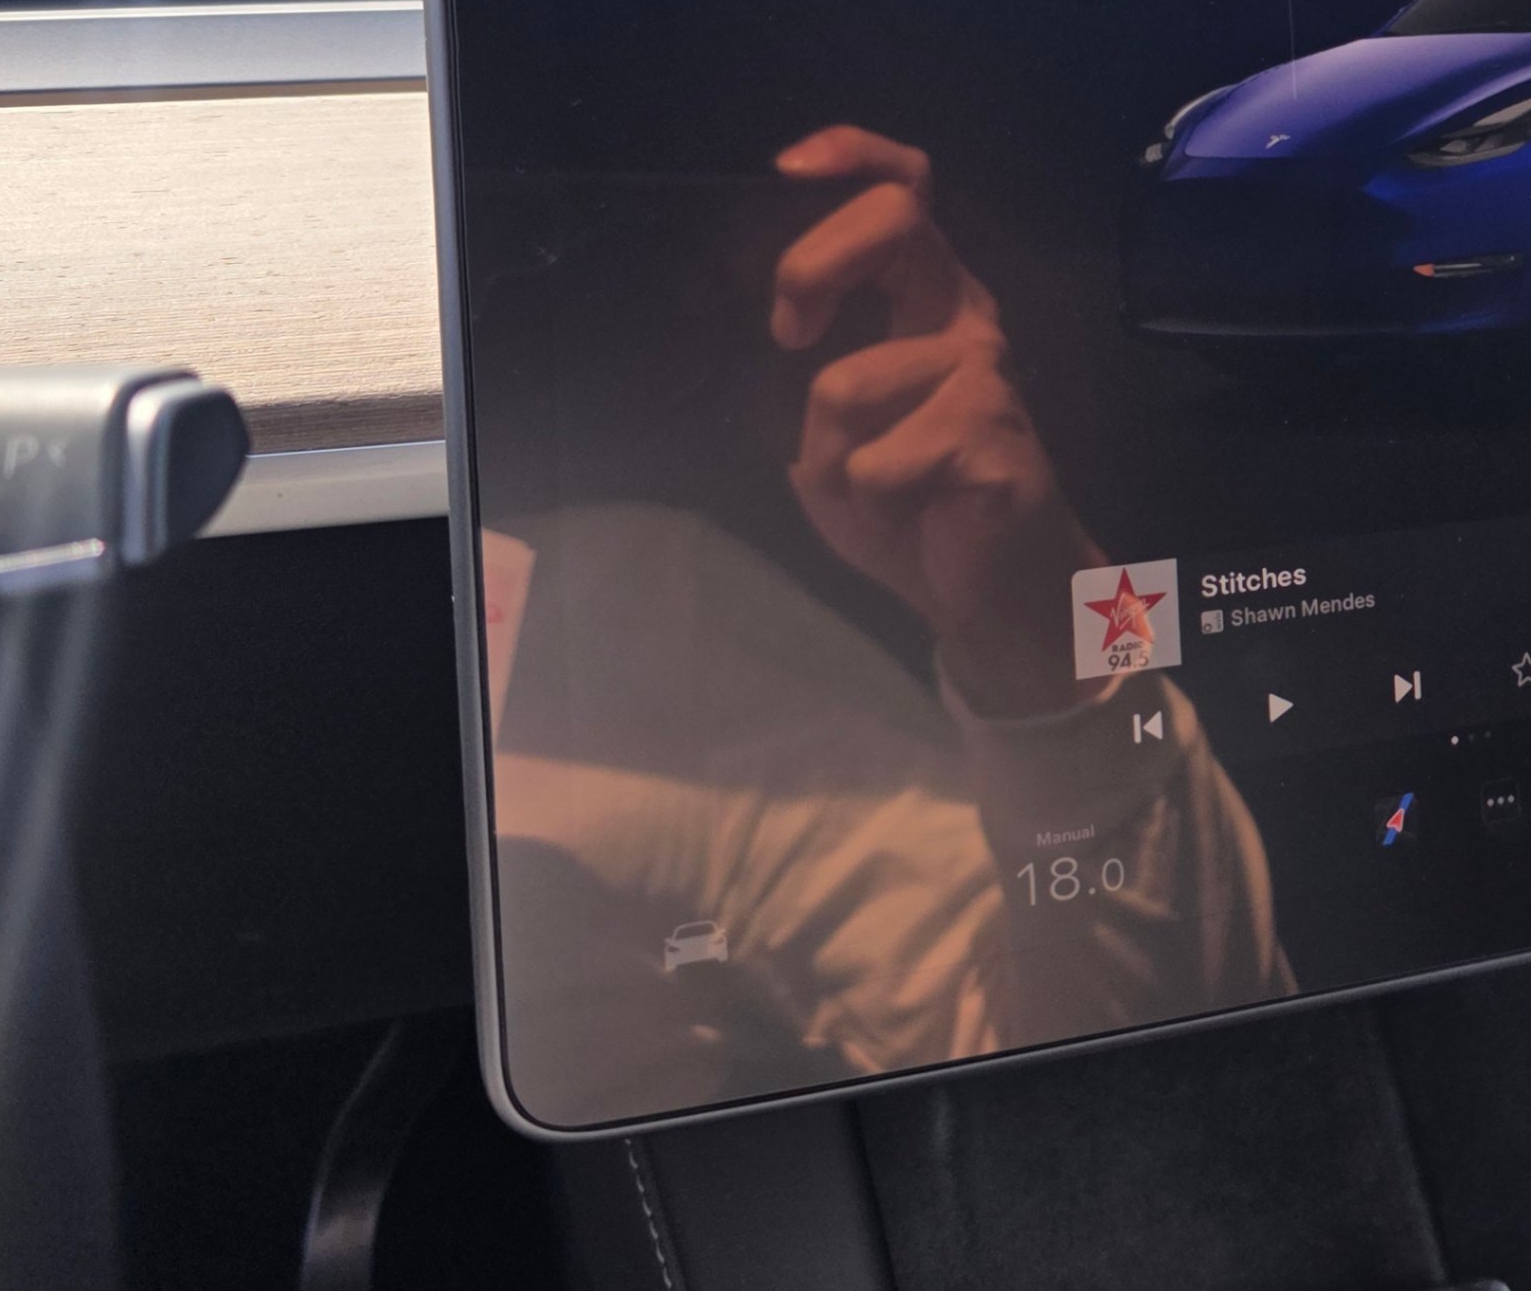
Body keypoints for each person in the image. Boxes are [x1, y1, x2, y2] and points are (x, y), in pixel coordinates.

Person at [478, 126, 1285, 1127]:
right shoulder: (642, 575)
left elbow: (1175, 1069)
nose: (807, 358)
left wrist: (1055, 623)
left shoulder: (635, 599)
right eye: (698, 298)